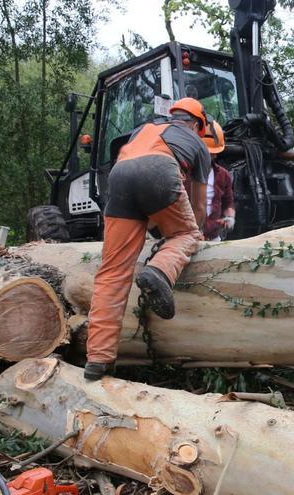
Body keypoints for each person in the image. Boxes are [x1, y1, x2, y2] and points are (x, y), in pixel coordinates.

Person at [84, 97, 212, 381]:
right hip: (160, 170)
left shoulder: (143, 129)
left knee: (113, 270)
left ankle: (98, 359)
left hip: (119, 176)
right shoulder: (198, 145)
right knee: (186, 233)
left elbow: (137, 180)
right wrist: (194, 234)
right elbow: (199, 206)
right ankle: (159, 271)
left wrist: (158, 223)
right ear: (196, 125)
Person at [201, 123, 236, 242]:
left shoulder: (223, 175)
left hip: (213, 237)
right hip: (186, 237)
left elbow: (228, 202)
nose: (214, 155)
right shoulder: (183, 173)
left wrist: (230, 217)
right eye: (210, 153)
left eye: (215, 152)